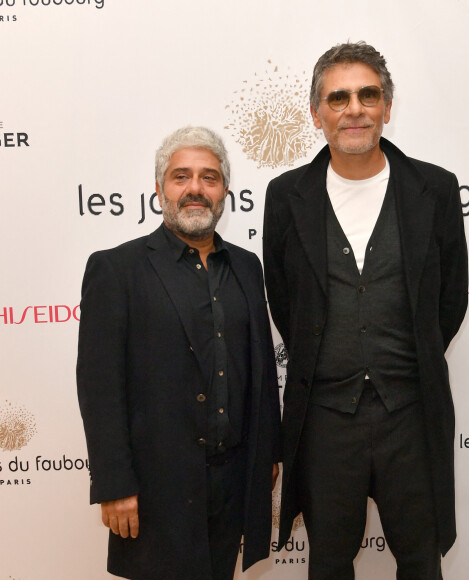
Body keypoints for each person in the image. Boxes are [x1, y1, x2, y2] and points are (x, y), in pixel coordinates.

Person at [263, 42, 468, 580]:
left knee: (422, 562)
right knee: (329, 564)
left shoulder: (435, 188)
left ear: (387, 105)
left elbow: (449, 300)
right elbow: (285, 301)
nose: (353, 108)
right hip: (327, 419)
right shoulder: (286, 196)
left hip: (412, 412)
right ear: (317, 113)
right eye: (338, 97)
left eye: (367, 94)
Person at [77, 126, 281, 580]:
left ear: (225, 190)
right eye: (181, 176)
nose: (195, 189)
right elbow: (99, 387)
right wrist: (114, 484)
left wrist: (266, 456)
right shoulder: (116, 269)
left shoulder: (247, 267)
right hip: (155, 487)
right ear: (159, 189)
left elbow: (262, 372)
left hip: (232, 482)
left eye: (209, 178)